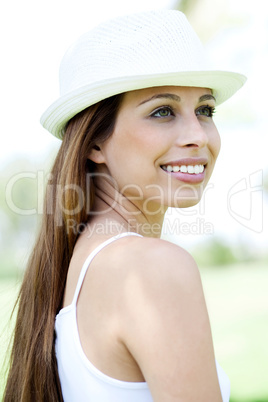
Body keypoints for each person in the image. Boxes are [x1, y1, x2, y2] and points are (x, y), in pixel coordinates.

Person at [4, 9, 246, 402]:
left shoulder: (81, 262)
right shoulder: (151, 266)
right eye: (162, 111)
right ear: (95, 143)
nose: (198, 135)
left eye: (205, 110)